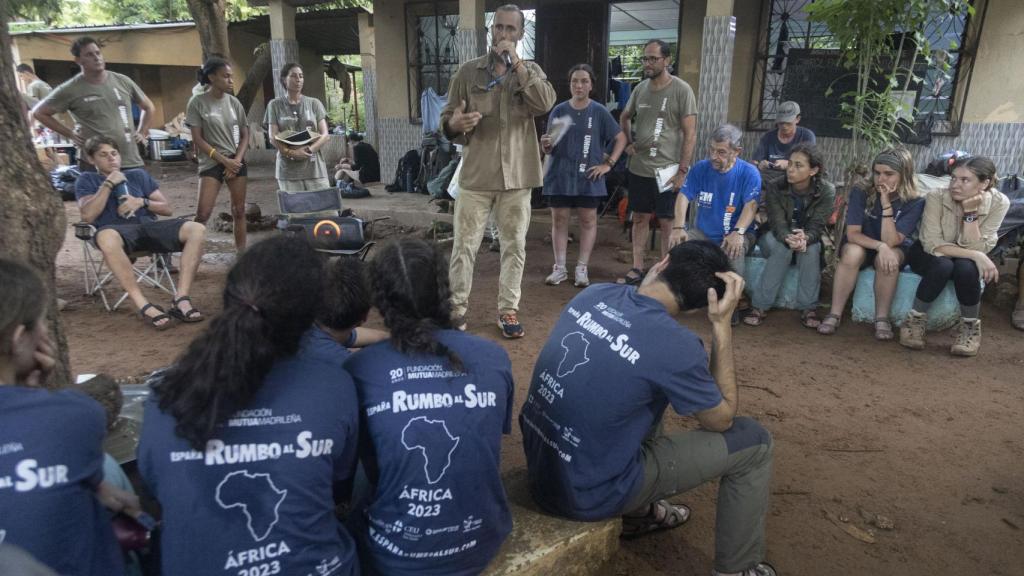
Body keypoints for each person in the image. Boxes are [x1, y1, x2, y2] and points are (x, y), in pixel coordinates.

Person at [520, 241, 776, 576]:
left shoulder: (594, 295)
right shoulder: (678, 346)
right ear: (701, 306)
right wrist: (722, 325)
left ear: (663, 262)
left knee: (635, 392)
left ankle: (639, 514)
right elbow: (721, 419)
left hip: (541, 468)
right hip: (587, 493)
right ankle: (737, 570)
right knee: (754, 442)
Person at [137, 237, 360, 576]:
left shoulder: (163, 396)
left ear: (230, 298)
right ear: (311, 318)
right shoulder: (334, 384)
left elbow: (155, 487)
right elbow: (339, 483)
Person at [343, 238, 514, 575]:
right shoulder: (494, 357)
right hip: (479, 542)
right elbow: (493, 435)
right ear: (443, 290)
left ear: (379, 302)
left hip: (389, 555)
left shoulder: (360, 370)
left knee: (371, 440)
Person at [0, 258, 140, 576]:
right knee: (105, 472)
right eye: (42, 322)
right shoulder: (74, 414)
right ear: (20, 338)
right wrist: (35, 391)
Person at [440, 3, 556, 338]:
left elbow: (544, 102)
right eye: (499, 28)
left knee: (514, 246)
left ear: (520, 34)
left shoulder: (530, 71)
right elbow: (446, 119)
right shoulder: (468, 73)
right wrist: (454, 124)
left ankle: (508, 310)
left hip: (517, 178)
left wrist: (517, 65)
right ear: (491, 31)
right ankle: (456, 309)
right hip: (477, 176)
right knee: (464, 246)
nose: (503, 34)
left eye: (510, 29)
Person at [75, 135, 206, 329]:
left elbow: (166, 208)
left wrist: (141, 202)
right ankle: (144, 305)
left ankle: (181, 299)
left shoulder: (138, 175)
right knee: (105, 236)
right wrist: (108, 183)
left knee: (197, 229)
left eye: (114, 153)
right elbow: (87, 215)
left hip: (148, 228)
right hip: (117, 233)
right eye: (103, 155)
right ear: (92, 159)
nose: (111, 158)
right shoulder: (87, 180)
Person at [899, 156, 1010, 355]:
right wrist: (979, 256)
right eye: (953, 178)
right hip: (926, 254)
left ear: (984, 183)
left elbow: (977, 246)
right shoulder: (936, 196)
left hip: (963, 259)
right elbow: (932, 243)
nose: (955, 185)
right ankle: (914, 321)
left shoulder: (999, 203)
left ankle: (970, 328)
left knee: (965, 267)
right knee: (944, 265)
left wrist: (970, 213)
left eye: (965, 180)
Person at [817, 147, 925, 338]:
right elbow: (852, 234)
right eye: (877, 173)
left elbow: (891, 240)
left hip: (894, 246)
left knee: (889, 259)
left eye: (889, 174)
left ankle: (881, 318)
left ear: (904, 174)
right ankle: (835, 313)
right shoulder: (862, 191)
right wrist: (880, 246)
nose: (881, 179)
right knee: (851, 253)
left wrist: (885, 204)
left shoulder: (914, 200)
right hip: (864, 242)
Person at [617, 38, 698, 286]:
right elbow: (625, 116)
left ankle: (664, 272)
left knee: (666, 221)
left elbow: (690, 133)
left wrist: (683, 171)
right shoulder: (640, 89)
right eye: (645, 58)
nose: (648, 63)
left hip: (668, 170)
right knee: (639, 217)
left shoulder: (682, 90)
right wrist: (630, 143)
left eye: (653, 58)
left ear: (667, 61)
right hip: (640, 168)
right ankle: (637, 267)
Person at [540, 63, 626, 287]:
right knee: (559, 221)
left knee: (588, 220)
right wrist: (545, 145)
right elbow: (550, 146)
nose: (579, 85)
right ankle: (559, 268)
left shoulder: (598, 111)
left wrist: (608, 165)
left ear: (591, 85)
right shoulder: (559, 110)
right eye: (574, 81)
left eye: (584, 81)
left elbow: (621, 138)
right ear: (569, 85)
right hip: (560, 175)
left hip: (589, 177)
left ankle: (581, 269)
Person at [745, 144, 835, 327]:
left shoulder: (826, 190)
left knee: (813, 248)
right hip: (774, 236)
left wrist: (806, 238)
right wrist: (788, 237)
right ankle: (760, 306)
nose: (791, 169)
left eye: (799, 165)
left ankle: (808, 308)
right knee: (782, 247)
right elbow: (777, 223)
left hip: (806, 238)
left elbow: (817, 225)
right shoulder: (775, 186)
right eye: (790, 163)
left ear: (813, 170)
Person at [34, 37, 155, 170]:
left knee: (139, 191)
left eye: (98, 53)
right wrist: (70, 134)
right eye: (89, 55)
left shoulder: (122, 81)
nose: (96, 58)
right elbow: (39, 113)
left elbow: (148, 107)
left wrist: (142, 131)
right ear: (78, 60)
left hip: (130, 160)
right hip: (94, 165)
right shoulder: (70, 89)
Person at [671, 124, 761, 280]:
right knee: (677, 249)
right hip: (703, 233)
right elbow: (683, 196)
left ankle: (736, 298)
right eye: (712, 149)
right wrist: (678, 226)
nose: (713, 156)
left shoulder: (749, 172)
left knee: (732, 253)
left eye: (721, 152)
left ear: (736, 152)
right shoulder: (700, 168)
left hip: (738, 233)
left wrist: (738, 232)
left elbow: (751, 205)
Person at [185, 57, 250, 252]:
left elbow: (245, 134)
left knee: (239, 211)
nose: (231, 80)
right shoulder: (197, 103)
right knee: (203, 214)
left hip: (235, 161)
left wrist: (236, 160)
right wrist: (223, 161)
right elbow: (197, 139)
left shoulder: (234, 103)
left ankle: (241, 254)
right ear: (212, 77)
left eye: (231, 77)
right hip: (211, 163)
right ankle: (191, 254)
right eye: (226, 76)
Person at [305, 257, 389, 367]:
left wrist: (389, 337)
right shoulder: (347, 364)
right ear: (364, 316)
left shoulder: (306, 326)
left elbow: (355, 336)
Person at [264, 63, 332, 192]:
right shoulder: (275, 105)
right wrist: (292, 153)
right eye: (293, 76)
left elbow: (325, 135)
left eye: (301, 76)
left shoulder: (314, 103)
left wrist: (309, 150)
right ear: (284, 79)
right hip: (288, 170)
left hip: (314, 168)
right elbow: (273, 136)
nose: (298, 79)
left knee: (325, 209)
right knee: (295, 210)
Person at [752, 101, 816, 176]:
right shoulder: (768, 137)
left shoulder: (807, 136)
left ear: (798, 119)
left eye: (788, 123)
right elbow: (754, 162)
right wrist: (759, 165)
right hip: (769, 178)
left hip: (795, 178)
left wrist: (789, 164)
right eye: (781, 123)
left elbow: (811, 164)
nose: (784, 126)